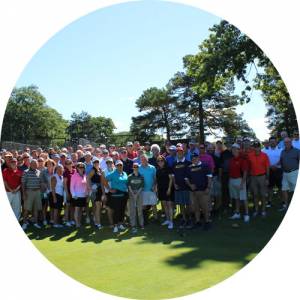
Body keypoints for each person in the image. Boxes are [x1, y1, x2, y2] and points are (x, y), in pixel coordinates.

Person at [185, 153, 213, 230]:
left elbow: (209, 177)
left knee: (205, 207)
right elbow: (186, 179)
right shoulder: (189, 168)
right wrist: (190, 185)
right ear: (191, 160)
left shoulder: (205, 166)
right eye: (193, 159)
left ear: (199, 158)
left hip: (204, 191)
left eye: (196, 158)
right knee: (195, 208)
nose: (194, 159)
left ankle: (207, 222)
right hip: (193, 192)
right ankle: (198, 222)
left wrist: (208, 187)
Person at [103, 160, 128, 233]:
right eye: (118, 165)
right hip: (116, 194)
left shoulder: (125, 173)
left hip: (124, 194)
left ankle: (120, 224)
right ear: (116, 166)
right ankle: (115, 225)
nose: (119, 166)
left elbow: (126, 183)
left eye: (120, 165)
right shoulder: (112, 173)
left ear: (122, 166)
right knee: (116, 210)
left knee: (122, 210)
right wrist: (109, 189)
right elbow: (104, 180)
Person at [247, 141, 270, 217]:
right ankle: (256, 210)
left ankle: (263, 210)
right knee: (255, 194)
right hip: (253, 177)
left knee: (263, 194)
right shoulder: (250, 155)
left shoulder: (265, 155)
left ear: (260, 147)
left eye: (258, 147)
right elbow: (248, 167)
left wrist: (267, 178)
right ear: (253, 147)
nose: (256, 148)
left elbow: (267, 167)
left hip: (262, 177)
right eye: (255, 147)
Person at [228, 144, 250, 222]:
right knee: (236, 198)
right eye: (233, 149)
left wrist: (242, 183)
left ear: (238, 150)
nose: (234, 150)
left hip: (240, 180)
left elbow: (245, 172)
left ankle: (247, 214)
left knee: (243, 198)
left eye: (235, 149)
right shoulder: (231, 160)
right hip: (232, 180)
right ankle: (237, 213)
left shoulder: (242, 160)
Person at [172, 147, 192, 228]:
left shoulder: (188, 163)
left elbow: (190, 175)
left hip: (187, 187)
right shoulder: (174, 164)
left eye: (181, 152)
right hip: (178, 187)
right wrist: (174, 184)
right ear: (176, 153)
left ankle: (190, 218)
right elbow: (173, 176)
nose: (179, 153)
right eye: (178, 152)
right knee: (181, 204)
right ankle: (184, 218)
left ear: (183, 153)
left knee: (188, 204)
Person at [21, 159, 43, 230]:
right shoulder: (26, 172)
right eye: (33, 164)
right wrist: (24, 194)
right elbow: (23, 183)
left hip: (37, 192)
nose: (35, 165)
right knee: (27, 209)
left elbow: (40, 182)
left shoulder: (39, 172)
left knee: (36, 209)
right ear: (30, 164)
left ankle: (35, 223)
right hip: (29, 192)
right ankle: (24, 223)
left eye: (36, 164)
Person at [280, 137, 300, 210]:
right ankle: (286, 205)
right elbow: (281, 161)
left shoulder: (297, 151)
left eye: (288, 142)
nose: (287, 143)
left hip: (294, 172)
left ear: (291, 142)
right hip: (285, 173)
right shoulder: (282, 151)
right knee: (284, 189)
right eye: (285, 142)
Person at [262, 137, 282, 207]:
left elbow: (282, 159)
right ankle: (269, 201)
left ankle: (282, 201)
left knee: (280, 186)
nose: (273, 142)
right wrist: (270, 166)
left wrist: (276, 165)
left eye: (274, 141)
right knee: (270, 187)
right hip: (269, 170)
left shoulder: (281, 149)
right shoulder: (264, 150)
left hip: (279, 170)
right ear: (269, 142)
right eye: (271, 141)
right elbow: (263, 160)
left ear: (276, 142)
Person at [156, 155, 174, 229]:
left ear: (164, 161)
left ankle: (171, 222)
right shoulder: (158, 169)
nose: (160, 162)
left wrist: (169, 188)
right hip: (161, 189)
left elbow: (171, 179)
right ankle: (167, 220)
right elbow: (157, 181)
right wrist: (156, 189)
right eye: (158, 161)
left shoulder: (168, 168)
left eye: (161, 160)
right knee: (164, 205)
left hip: (168, 189)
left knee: (169, 205)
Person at [138, 154, 158, 221]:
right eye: (142, 159)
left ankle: (156, 219)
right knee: (143, 206)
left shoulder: (152, 167)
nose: (143, 160)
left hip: (151, 189)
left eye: (145, 159)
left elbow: (155, 178)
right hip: (142, 190)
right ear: (140, 160)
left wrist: (154, 186)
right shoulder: (138, 168)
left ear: (147, 160)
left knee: (154, 205)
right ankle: (144, 219)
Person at [88, 158, 106, 229]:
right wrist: (90, 187)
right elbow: (88, 178)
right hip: (95, 191)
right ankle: (98, 223)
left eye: (97, 162)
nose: (96, 163)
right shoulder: (93, 170)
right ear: (93, 163)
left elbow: (102, 182)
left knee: (98, 207)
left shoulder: (100, 170)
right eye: (95, 162)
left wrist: (103, 192)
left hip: (100, 190)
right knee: (97, 207)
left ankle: (96, 221)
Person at [70, 162, 89, 228]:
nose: (81, 168)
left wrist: (86, 194)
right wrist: (74, 195)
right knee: (77, 210)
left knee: (81, 210)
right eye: (80, 167)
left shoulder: (85, 175)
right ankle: (77, 223)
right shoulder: (74, 175)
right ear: (77, 168)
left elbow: (86, 186)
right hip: (77, 196)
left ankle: (79, 222)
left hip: (83, 196)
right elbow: (71, 186)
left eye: (83, 167)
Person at [127, 162, 144, 233]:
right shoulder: (130, 176)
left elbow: (142, 186)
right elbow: (129, 186)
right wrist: (133, 194)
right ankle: (133, 224)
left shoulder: (141, 176)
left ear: (138, 168)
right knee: (132, 210)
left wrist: (137, 194)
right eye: (134, 167)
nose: (135, 168)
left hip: (139, 193)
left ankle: (141, 224)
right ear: (133, 168)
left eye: (137, 167)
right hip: (131, 193)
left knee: (140, 209)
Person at [63, 159, 76, 227]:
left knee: (72, 206)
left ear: (72, 163)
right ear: (65, 165)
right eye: (67, 163)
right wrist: (67, 193)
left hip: (74, 191)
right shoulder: (65, 172)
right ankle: (66, 221)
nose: (69, 165)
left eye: (70, 163)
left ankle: (72, 220)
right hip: (67, 191)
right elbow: (64, 184)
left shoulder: (75, 171)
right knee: (67, 206)